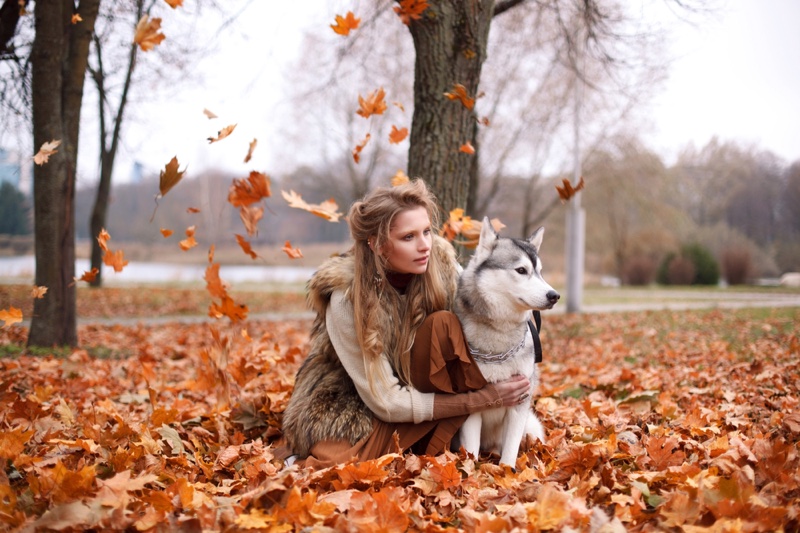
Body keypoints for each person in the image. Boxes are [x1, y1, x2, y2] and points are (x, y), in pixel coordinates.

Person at [280, 179, 531, 468]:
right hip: (365, 397)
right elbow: (384, 399)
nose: (425, 245)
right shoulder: (345, 297)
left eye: (426, 231)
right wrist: (481, 400)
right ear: (377, 244)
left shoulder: (443, 266)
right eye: (408, 237)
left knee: (443, 325)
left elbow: (489, 306)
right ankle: (419, 439)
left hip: (429, 385)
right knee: (334, 460)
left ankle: (432, 438)